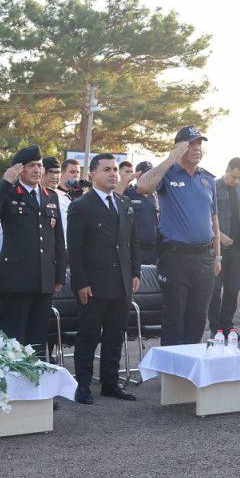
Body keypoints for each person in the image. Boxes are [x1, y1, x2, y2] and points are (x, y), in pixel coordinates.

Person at [136, 126, 221, 346]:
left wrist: (217, 257)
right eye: (191, 144)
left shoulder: (208, 179)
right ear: (179, 146)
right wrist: (172, 157)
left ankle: (190, 373)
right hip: (175, 256)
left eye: (199, 144)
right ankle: (171, 376)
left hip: (204, 257)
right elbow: (143, 186)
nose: (197, 149)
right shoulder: (168, 173)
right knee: (175, 317)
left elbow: (214, 220)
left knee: (197, 318)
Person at [67, 153, 141, 404]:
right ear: (92, 175)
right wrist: (81, 283)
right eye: (107, 169)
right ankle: (83, 386)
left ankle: (110, 383)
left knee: (115, 335)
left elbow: (131, 243)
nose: (113, 174)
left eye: (115, 170)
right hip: (94, 285)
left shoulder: (124, 204)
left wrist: (135, 272)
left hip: (121, 282)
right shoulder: (81, 206)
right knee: (88, 336)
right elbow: (74, 250)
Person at [0, 145, 65, 356]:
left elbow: (58, 238)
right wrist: (5, 181)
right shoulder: (9, 192)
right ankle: (15, 386)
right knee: (15, 338)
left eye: (39, 165)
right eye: (31, 166)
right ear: (20, 170)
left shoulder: (50, 196)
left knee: (38, 338)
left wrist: (59, 275)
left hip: (44, 278)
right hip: (17, 279)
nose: (37, 170)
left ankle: (38, 384)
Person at [208, 157, 240, 336]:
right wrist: (219, 235)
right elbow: (206, 215)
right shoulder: (213, 186)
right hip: (217, 248)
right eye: (233, 177)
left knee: (233, 288)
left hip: (239, 247)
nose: (236, 181)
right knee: (215, 289)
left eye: (239, 178)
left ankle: (228, 325)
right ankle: (215, 328)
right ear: (226, 171)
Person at [122, 161, 159, 265]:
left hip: (154, 252)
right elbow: (114, 195)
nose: (150, 177)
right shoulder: (128, 193)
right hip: (135, 251)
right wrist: (128, 178)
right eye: (146, 174)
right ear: (138, 176)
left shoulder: (157, 196)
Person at [43, 157, 71, 247]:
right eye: (50, 172)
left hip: (65, 248)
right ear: (42, 172)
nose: (55, 176)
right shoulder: (36, 196)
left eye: (58, 172)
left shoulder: (66, 198)